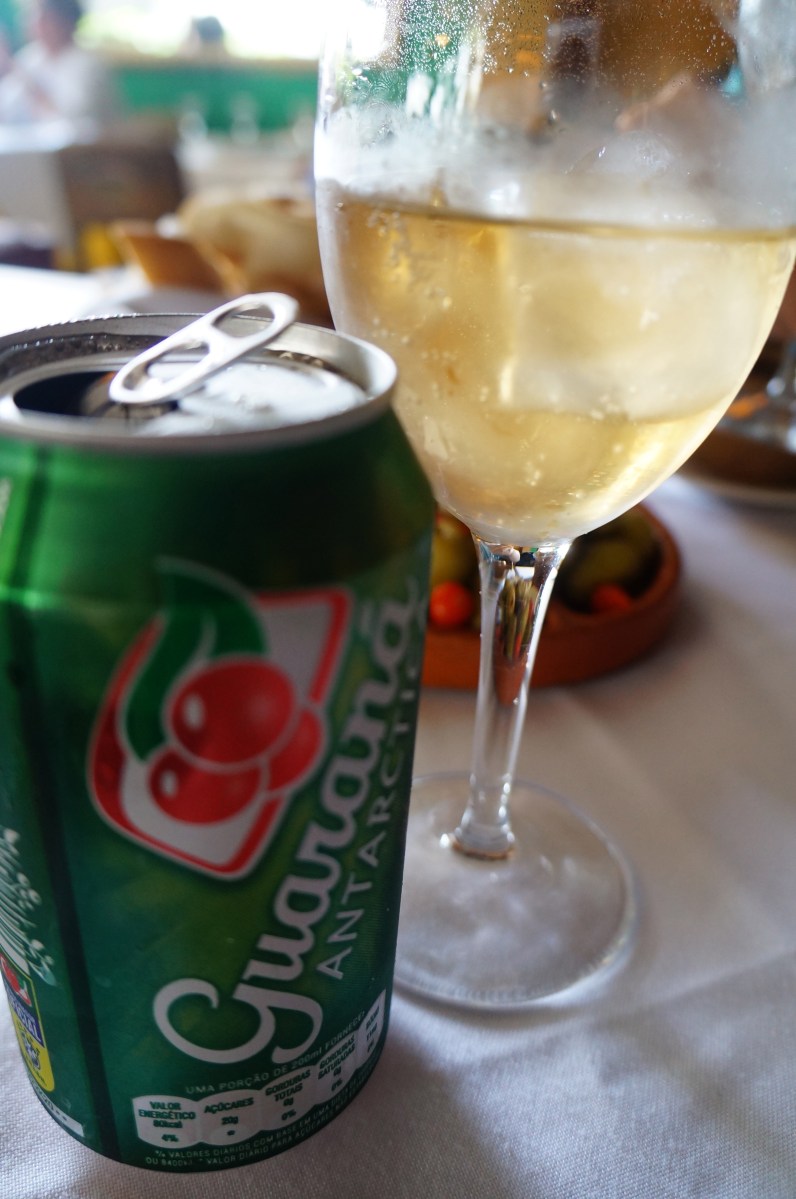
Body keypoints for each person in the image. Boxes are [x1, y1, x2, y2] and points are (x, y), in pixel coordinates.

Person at [0, 0, 119, 127]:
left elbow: (75, 121)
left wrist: (35, 92)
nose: (35, 24)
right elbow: (7, 105)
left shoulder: (88, 65)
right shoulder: (27, 59)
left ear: (66, 22)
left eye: (45, 18)